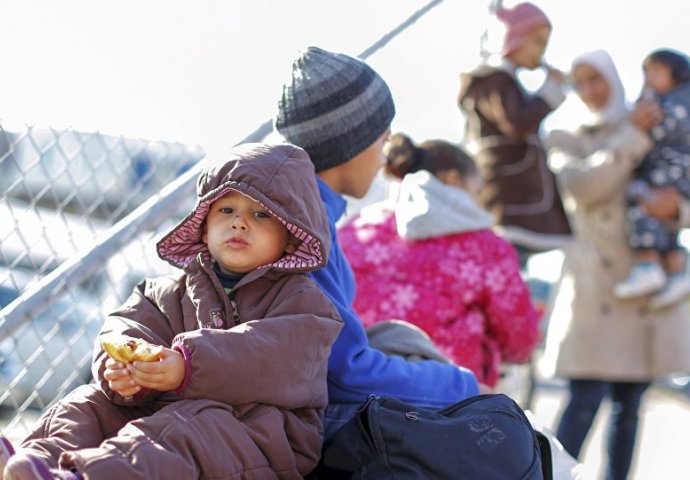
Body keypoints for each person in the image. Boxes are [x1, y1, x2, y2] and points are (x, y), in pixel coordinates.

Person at [0, 143, 343, 480]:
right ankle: (35, 463)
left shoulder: (305, 305)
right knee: (89, 402)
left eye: (261, 214)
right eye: (226, 210)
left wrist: (188, 365)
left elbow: (267, 355)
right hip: (164, 414)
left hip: (259, 438)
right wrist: (123, 370)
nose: (239, 223)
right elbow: (127, 327)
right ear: (204, 226)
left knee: (190, 427)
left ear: (290, 238)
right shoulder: (164, 292)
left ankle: (84, 475)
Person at [274, 46, 481, 446]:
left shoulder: (299, 209)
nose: (385, 153)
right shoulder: (309, 226)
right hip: (298, 430)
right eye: (382, 138)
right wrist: (463, 385)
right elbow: (344, 374)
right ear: (353, 142)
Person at [542, 49, 690, 480]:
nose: (589, 90)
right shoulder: (566, 134)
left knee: (630, 409)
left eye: (596, 79)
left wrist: (677, 209)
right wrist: (632, 136)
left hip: (647, 286)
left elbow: (679, 172)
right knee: (583, 400)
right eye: (580, 81)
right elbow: (585, 187)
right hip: (598, 289)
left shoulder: (655, 116)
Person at [336, 132, 542, 388]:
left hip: (357, 382)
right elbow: (519, 334)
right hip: (446, 395)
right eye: (477, 189)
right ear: (453, 179)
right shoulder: (484, 245)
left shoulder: (356, 229)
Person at [458, 1, 571, 262]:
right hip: (508, 200)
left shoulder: (504, 81)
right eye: (537, 41)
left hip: (516, 199)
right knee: (505, 268)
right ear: (514, 37)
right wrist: (548, 94)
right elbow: (516, 123)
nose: (541, 51)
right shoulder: (494, 79)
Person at [613, 48, 690, 310]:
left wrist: (638, 126)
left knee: (640, 197)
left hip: (667, 169)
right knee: (668, 225)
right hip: (679, 173)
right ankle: (678, 273)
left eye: (656, 72)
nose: (649, 79)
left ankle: (647, 265)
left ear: (676, 74)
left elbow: (657, 132)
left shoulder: (671, 105)